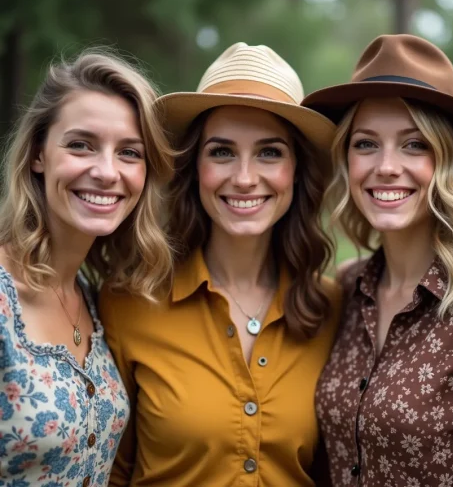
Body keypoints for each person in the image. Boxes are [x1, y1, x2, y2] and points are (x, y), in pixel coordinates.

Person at [302, 34, 453, 486]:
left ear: (447, 163)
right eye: (366, 144)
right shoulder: (348, 288)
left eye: (414, 145)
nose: (386, 166)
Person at [99, 43, 341, 486]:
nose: (245, 177)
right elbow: (112, 470)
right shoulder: (128, 303)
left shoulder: (333, 307)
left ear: (297, 171)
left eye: (269, 152)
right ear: (194, 168)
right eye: (222, 152)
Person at [0, 49, 174, 486]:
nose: (106, 171)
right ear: (39, 154)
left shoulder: (93, 297)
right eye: (81, 145)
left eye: (130, 153)